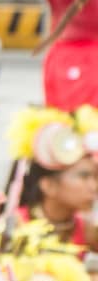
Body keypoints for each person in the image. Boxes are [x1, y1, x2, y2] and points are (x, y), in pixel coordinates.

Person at [10, 107, 98, 250]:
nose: (94, 187)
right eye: (84, 176)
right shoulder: (15, 227)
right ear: (48, 185)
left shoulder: (90, 230)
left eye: (96, 177)